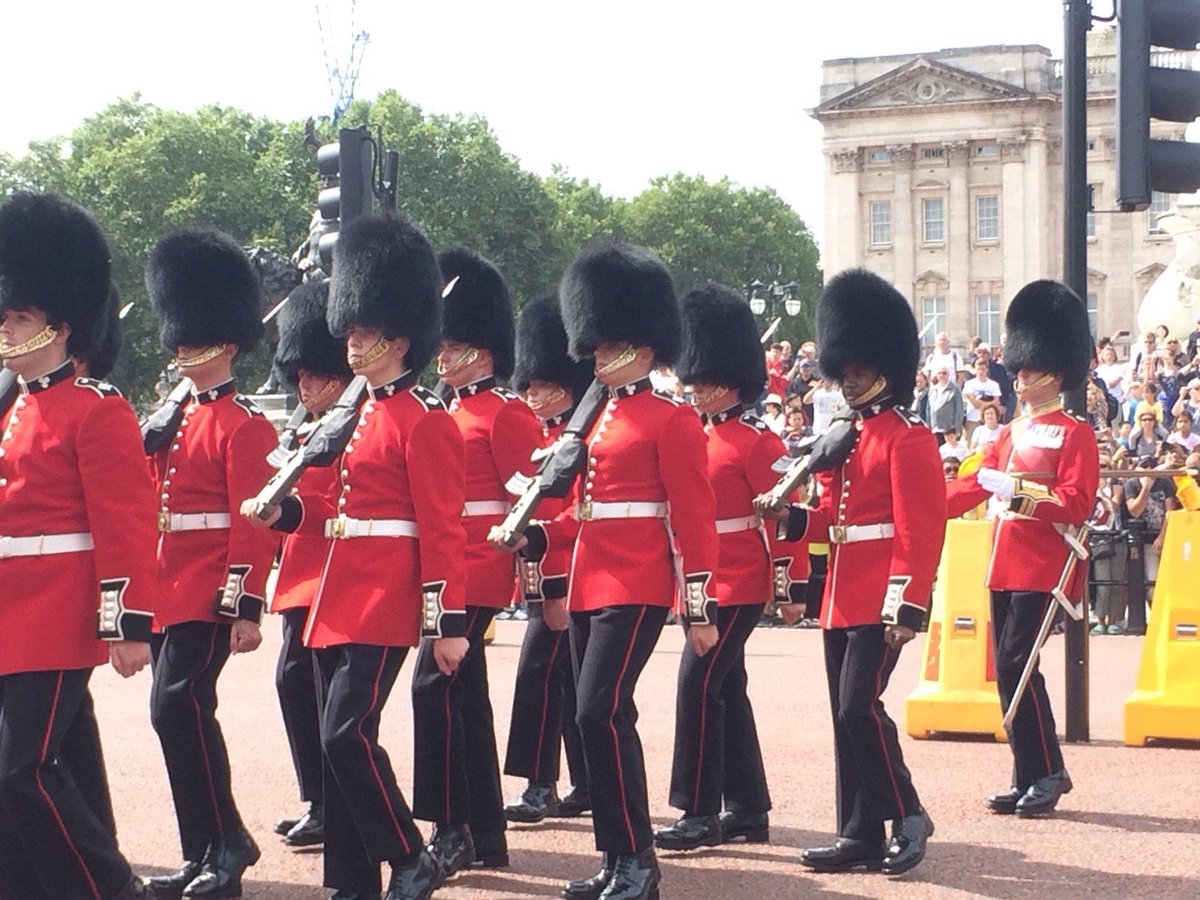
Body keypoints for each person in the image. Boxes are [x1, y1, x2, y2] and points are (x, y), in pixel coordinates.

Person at [490, 241, 719, 900]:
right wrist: (535, 533)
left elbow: (692, 520)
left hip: (640, 583)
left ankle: (639, 862)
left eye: (605, 342)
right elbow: (588, 513)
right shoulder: (593, 421)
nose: (592, 353)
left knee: (600, 712)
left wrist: (697, 609)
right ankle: (619, 859)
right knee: (594, 717)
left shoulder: (671, 420)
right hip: (592, 579)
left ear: (642, 348)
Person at [251, 214, 470, 899]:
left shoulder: (424, 419)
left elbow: (442, 526)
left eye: (362, 331)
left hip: (385, 596)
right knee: (332, 739)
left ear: (397, 338)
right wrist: (284, 512)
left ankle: (410, 855)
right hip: (333, 597)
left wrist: (450, 619)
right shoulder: (353, 417)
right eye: (348, 329)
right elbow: (329, 509)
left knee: (347, 732)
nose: (349, 341)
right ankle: (351, 881)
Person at [760, 268, 944, 876]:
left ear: (885, 369)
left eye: (859, 370)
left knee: (856, 707)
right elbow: (829, 519)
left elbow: (920, 531)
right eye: (846, 370)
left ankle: (909, 812)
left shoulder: (907, 439)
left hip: (879, 595)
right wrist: (788, 520)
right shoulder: (845, 437)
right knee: (844, 714)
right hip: (840, 592)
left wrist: (906, 604)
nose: (849, 379)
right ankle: (860, 832)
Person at [0, 191, 156, 900]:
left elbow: (123, 522)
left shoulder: (97, 409)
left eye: (20, 318)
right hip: (10, 615)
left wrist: (126, 623)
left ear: (59, 326)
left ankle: (112, 887)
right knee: (41, 762)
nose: (5, 328)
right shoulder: (16, 407)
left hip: (58, 616)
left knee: (21, 767)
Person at [144, 227, 280, 900]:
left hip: (209, 591)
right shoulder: (175, 419)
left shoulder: (245, 425)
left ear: (225, 344)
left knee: (180, 706)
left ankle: (225, 843)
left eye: (192, 339)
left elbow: (251, 525)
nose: (179, 349)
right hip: (170, 586)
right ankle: (206, 848)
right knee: (171, 713)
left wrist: (245, 605)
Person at [410, 248, 543, 880]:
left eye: (454, 345)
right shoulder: (447, 409)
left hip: (480, 568)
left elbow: (533, 501)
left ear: (484, 350)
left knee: (433, 690)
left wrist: (543, 578)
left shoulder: (507, 414)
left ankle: (453, 827)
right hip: (446, 567)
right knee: (463, 697)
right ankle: (483, 830)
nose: (443, 355)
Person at [655, 284, 801, 853]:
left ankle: (698, 810)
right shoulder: (698, 432)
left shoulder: (759, 443)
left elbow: (786, 521)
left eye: (705, 382)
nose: (696, 390)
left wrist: (789, 590)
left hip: (739, 579)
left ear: (731, 383)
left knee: (698, 686)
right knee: (727, 688)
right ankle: (747, 806)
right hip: (702, 579)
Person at [947, 279, 1098, 819]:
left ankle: (1050, 771)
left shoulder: (1074, 433)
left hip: (1043, 565)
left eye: (1028, 368)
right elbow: (979, 483)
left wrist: (1024, 493)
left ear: (1053, 372)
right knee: (1008, 668)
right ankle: (1027, 771)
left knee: (1020, 660)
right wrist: (924, 502)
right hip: (1003, 560)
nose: (1019, 374)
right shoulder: (1010, 433)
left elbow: (1077, 502)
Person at [264, 279, 353, 850]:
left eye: (314, 374)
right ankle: (318, 796)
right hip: (300, 571)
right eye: (299, 374)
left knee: (318, 691)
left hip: (335, 570)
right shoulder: (306, 426)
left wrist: (290, 510)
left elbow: (344, 500)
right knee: (291, 681)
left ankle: (333, 801)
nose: (304, 383)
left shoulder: (349, 427)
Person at [502, 296, 594, 826]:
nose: (531, 394)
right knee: (566, 676)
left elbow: (580, 516)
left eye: (541, 386)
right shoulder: (539, 439)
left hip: (566, 573)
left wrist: (551, 574)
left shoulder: (576, 445)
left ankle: (539, 785)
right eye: (529, 385)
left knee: (539, 674)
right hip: (538, 573)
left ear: (566, 387)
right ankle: (580, 780)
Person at [1125, 455, 1179, 611]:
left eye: (1152, 465)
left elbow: (1170, 511)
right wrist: (1145, 488)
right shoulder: (1132, 484)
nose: (1149, 469)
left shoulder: (1165, 483)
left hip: (1165, 536)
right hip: (1144, 539)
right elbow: (1134, 511)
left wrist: (1162, 536)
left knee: (1169, 578)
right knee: (1151, 579)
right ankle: (1156, 614)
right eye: (1145, 465)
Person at [962, 357, 1002, 440]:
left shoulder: (994, 385)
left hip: (989, 419)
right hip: (973, 419)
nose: (981, 372)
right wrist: (989, 404)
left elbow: (996, 403)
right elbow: (974, 404)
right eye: (978, 369)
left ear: (987, 370)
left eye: (983, 369)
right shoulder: (969, 384)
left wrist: (978, 402)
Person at [926, 364, 964, 443]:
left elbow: (959, 410)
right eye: (939, 373)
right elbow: (928, 409)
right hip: (935, 428)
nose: (942, 375)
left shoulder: (955, 389)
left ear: (948, 375)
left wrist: (957, 428)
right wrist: (928, 427)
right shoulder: (932, 390)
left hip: (949, 429)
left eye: (944, 373)